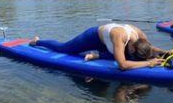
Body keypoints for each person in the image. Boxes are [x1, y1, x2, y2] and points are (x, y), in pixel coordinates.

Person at [29, 23, 165, 70]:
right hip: (93, 37)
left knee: (125, 55)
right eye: (134, 53)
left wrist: (165, 52)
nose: (133, 54)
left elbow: (150, 48)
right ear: (133, 47)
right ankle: (37, 41)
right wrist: (148, 63)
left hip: (109, 43)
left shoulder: (140, 37)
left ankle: (97, 55)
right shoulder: (120, 36)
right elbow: (122, 66)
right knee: (64, 49)